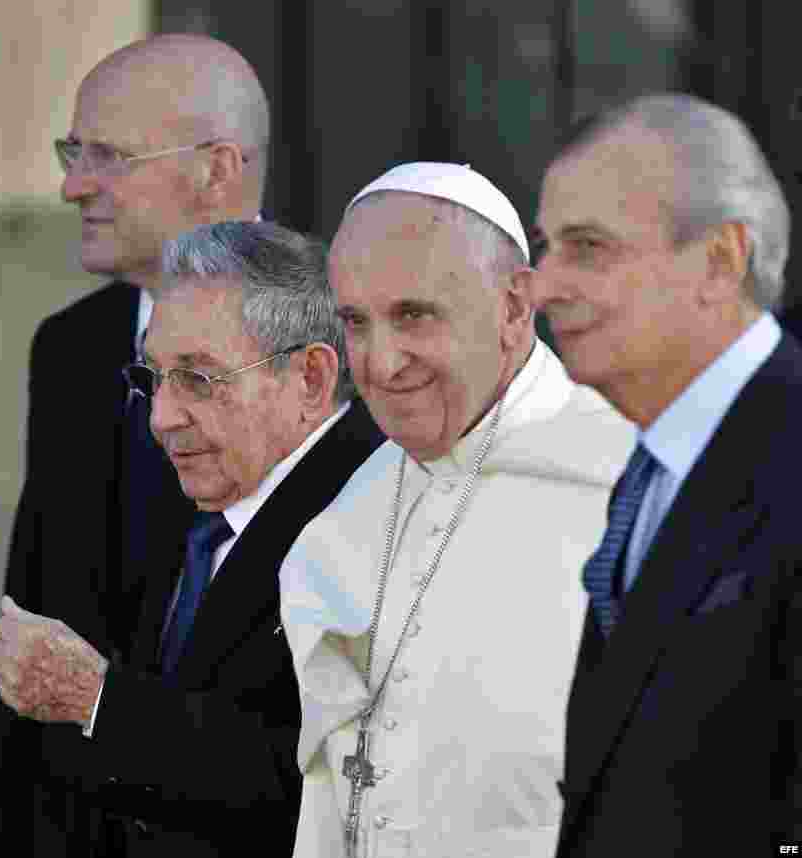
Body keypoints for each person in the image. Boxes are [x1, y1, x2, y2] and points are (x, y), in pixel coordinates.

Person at [0, 221, 384, 856]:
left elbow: (322, 786)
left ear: (310, 378)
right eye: (154, 377)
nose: (162, 418)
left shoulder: (376, 516)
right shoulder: (197, 501)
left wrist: (99, 700)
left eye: (198, 379)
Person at [0, 34, 275, 855]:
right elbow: (30, 624)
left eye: (107, 155)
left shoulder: (341, 347)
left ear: (218, 169)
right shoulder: (70, 351)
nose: (73, 186)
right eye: (74, 152)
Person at [278, 162, 634, 858]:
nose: (380, 364)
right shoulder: (348, 507)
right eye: (356, 322)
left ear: (512, 309)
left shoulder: (621, 482)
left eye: (413, 315)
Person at [530, 94, 802, 855]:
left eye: (587, 247)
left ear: (720, 261)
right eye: (546, 245)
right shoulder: (654, 467)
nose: (543, 286)